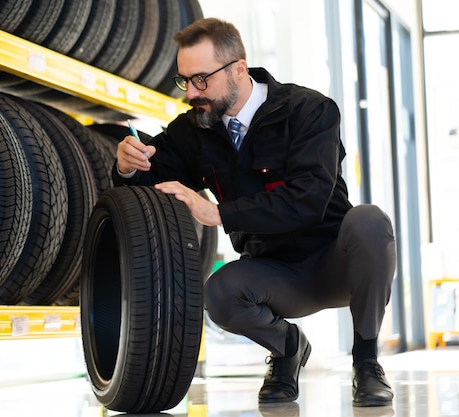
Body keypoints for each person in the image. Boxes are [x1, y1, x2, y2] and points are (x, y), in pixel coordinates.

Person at [112, 17, 396, 407]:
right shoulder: (192, 129)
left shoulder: (309, 111)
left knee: (370, 220)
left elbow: (308, 198)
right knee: (220, 292)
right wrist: (128, 164)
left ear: (238, 69)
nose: (192, 92)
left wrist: (219, 214)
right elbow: (150, 184)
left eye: (201, 79)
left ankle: (366, 363)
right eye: (184, 80)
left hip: (336, 264)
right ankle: (288, 351)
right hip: (273, 276)